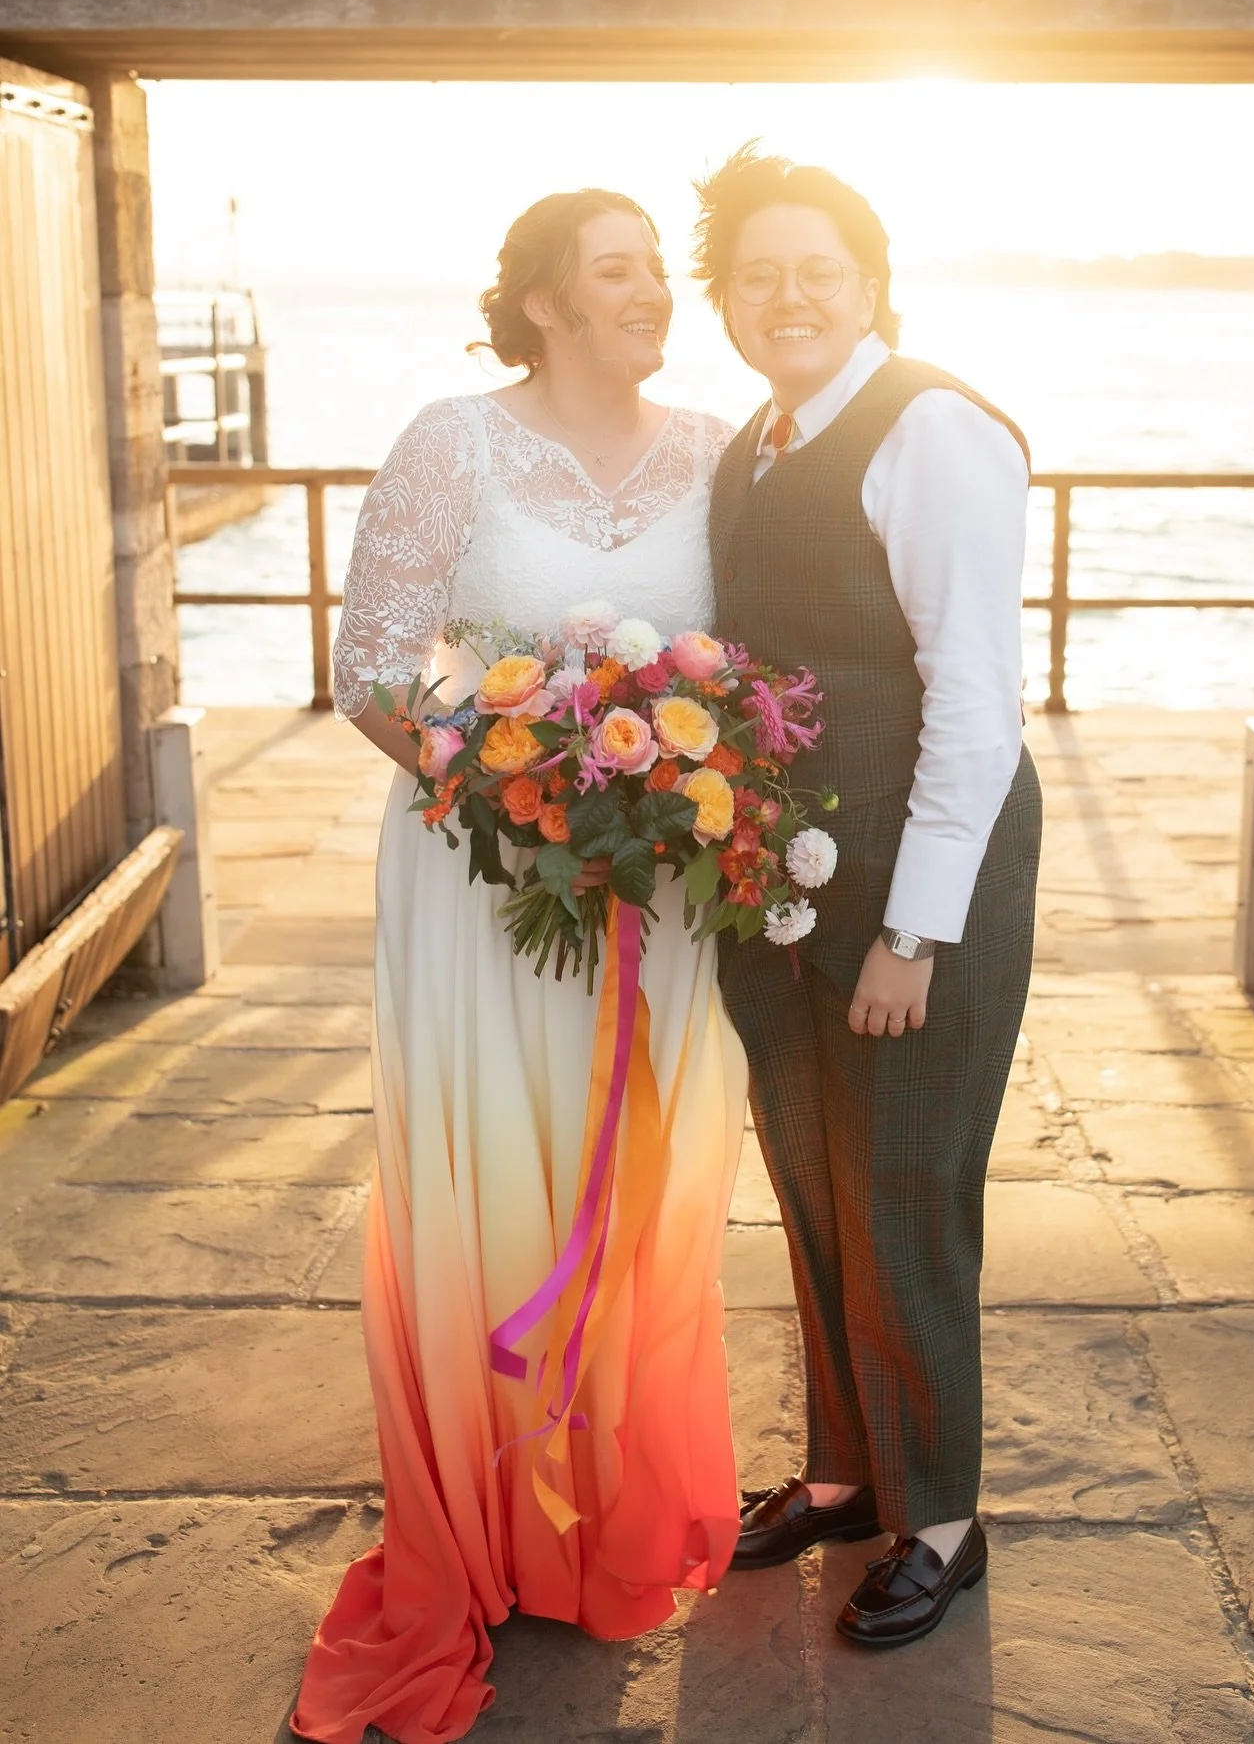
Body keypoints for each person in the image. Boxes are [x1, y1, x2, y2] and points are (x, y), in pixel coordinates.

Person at [292, 190, 747, 1743]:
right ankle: (480, 1522)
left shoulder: (718, 452)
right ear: (545, 301)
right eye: (618, 270)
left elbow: (753, 669)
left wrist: (683, 789)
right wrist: (521, 785)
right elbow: (372, 666)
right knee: (494, 1183)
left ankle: (603, 1515)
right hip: (486, 881)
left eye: (658, 269)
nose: (654, 291)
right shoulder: (453, 443)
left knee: (641, 1187)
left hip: (657, 893)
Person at [695, 145, 1042, 1649]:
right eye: (757, 275)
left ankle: (944, 1521)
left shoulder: (934, 431)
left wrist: (915, 930)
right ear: (725, 299)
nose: (789, 297)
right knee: (813, 1172)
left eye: (818, 272)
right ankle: (844, 1474)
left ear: (872, 286)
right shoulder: (758, 442)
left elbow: (976, 702)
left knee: (905, 1190)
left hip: (914, 881)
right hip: (784, 878)